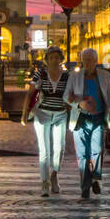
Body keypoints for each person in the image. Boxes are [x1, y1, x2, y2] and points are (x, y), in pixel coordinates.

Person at [64, 47, 110, 200]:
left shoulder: (105, 76)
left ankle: (96, 178)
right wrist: (79, 103)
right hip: (80, 118)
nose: (87, 63)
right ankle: (85, 187)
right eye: (84, 60)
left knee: (98, 150)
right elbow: (66, 96)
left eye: (90, 60)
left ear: (96, 61)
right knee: (82, 154)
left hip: (98, 118)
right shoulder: (74, 76)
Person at [22, 47, 70, 197]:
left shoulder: (66, 76)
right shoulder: (41, 74)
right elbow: (30, 94)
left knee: (60, 148)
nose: (54, 60)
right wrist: (24, 113)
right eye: (51, 57)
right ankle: (44, 182)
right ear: (47, 60)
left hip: (60, 114)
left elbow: (72, 94)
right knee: (44, 151)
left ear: (61, 59)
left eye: (57, 57)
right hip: (42, 114)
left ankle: (54, 174)